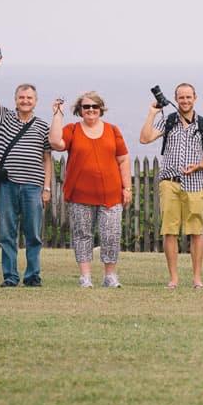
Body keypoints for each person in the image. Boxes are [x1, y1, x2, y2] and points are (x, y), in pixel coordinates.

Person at [0, 48, 52, 287]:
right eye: (21, 97)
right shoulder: (4, 118)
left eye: (29, 98)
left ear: (35, 101)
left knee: (33, 235)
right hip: (7, 186)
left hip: (33, 186)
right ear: (15, 100)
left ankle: (33, 277)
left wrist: (47, 188)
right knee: (7, 235)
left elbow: (47, 159)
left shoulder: (43, 126)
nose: (25, 101)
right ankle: (10, 277)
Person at [139, 83, 203, 289]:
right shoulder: (168, 121)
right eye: (181, 97)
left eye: (188, 97)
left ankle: (197, 279)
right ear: (176, 98)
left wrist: (198, 166)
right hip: (169, 183)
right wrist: (152, 114)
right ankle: (173, 279)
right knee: (170, 231)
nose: (184, 101)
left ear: (195, 98)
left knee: (196, 232)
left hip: (195, 183)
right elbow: (144, 139)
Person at [49, 92, 131, 288]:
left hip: (111, 195)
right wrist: (58, 114)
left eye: (95, 106)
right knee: (82, 234)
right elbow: (54, 142)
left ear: (101, 109)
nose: (91, 110)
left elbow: (123, 159)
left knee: (111, 235)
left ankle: (110, 276)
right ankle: (85, 277)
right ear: (80, 110)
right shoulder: (73, 129)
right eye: (86, 107)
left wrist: (127, 187)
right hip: (80, 195)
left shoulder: (113, 130)